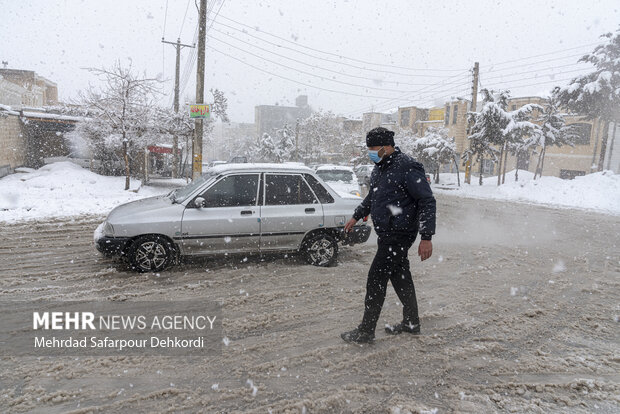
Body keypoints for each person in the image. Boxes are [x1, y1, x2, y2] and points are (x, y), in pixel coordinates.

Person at [341, 127, 436, 344]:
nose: (371, 153)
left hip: (399, 234)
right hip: (386, 233)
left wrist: (426, 236)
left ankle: (366, 331)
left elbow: (426, 201)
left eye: (374, 148)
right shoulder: (379, 169)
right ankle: (412, 323)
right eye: (369, 149)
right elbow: (373, 198)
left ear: (386, 146)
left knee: (376, 279)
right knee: (401, 277)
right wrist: (357, 216)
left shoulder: (407, 166)